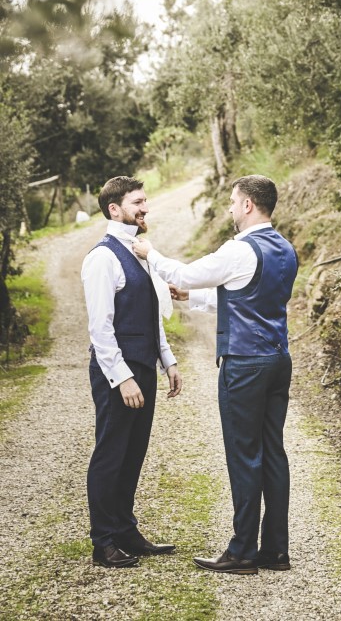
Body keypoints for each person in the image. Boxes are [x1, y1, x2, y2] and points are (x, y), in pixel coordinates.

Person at [133, 174, 298, 576]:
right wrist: (197, 298)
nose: (228, 207)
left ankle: (242, 551)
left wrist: (150, 252)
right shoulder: (285, 249)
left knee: (244, 457)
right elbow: (247, 295)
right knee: (273, 453)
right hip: (278, 361)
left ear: (247, 205)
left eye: (231, 201)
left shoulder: (240, 249)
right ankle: (276, 550)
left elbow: (186, 274)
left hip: (244, 364)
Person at [82, 175, 183, 569]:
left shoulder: (139, 251)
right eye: (138, 202)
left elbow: (151, 314)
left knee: (134, 452)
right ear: (114, 209)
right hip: (117, 373)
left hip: (144, 367)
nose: (145, 208)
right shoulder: (102, 257)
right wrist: (121, 376)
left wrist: (168, 361)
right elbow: (100, 327)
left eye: (146, 201)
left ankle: (125, 531)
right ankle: (103, 541)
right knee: (111, 453)